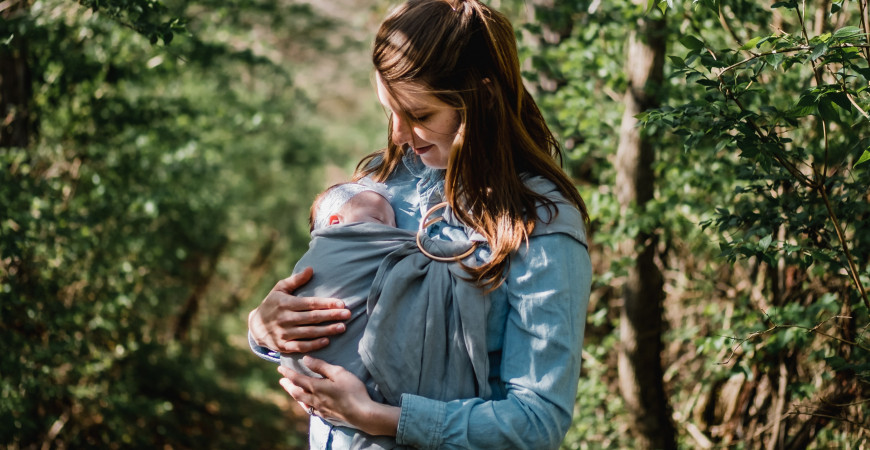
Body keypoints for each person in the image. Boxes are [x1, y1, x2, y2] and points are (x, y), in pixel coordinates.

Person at [247, 0, 592, 448]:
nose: (397, 134)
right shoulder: (376, 186)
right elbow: (328, 312)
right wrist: (263, 330)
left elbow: (536, 420)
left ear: (482, 99)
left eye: (420, 116)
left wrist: (378, 418)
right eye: (389, 110)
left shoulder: (539, 223)